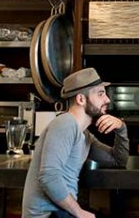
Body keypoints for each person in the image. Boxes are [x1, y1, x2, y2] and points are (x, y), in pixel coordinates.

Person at [22, 68, 129, 218]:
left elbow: (118, 161)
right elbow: (49, 176)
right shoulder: (65, 123)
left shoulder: (84, 135)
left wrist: (121, 128)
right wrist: (79, 213)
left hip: (60, 212)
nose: (107, 99)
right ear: (81, 99)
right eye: (100, 94)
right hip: (48, 214)